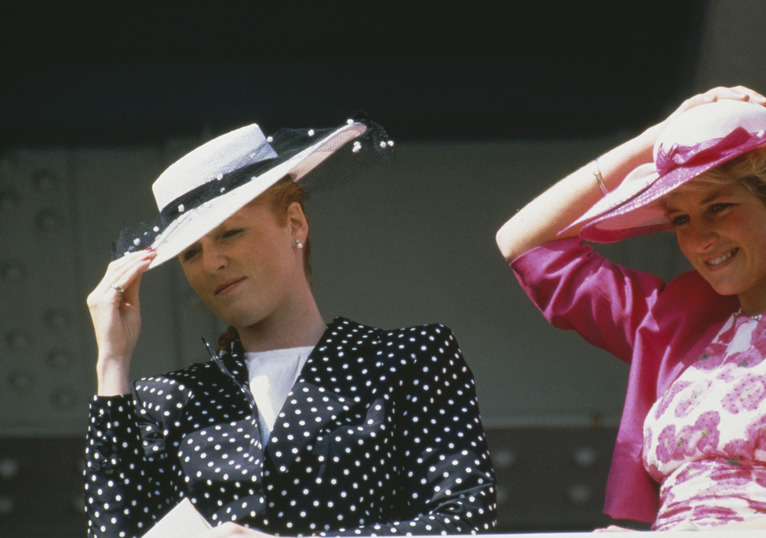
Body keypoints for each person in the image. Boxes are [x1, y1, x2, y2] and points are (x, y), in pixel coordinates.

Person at [495, 86, 766, 531]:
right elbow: (525, 244)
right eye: (680, 218)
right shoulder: (672, 319)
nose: (699, 239)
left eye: (718, 207)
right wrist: (659, 137)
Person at [84, 119, 497, 537]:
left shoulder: (409, 360)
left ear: (295, 223)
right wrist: (112, 363)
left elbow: (463, 522)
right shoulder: (169, 401)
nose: (211, 263)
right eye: (191, 253)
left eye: (230, 233)